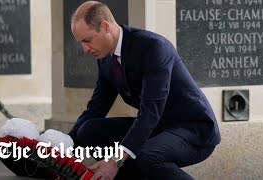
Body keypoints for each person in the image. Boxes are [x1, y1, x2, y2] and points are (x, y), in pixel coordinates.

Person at [68, 1, 221, 180]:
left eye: (87, 40)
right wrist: (62, 148)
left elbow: (151, 111)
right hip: (158, 127)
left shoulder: (153, 47)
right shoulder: (105, 60)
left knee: (142, 157)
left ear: (105, 26)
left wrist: (115, 160)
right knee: (88, 131)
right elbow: (96, 108)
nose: (85, 49)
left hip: (192, 129)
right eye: (81, 43)